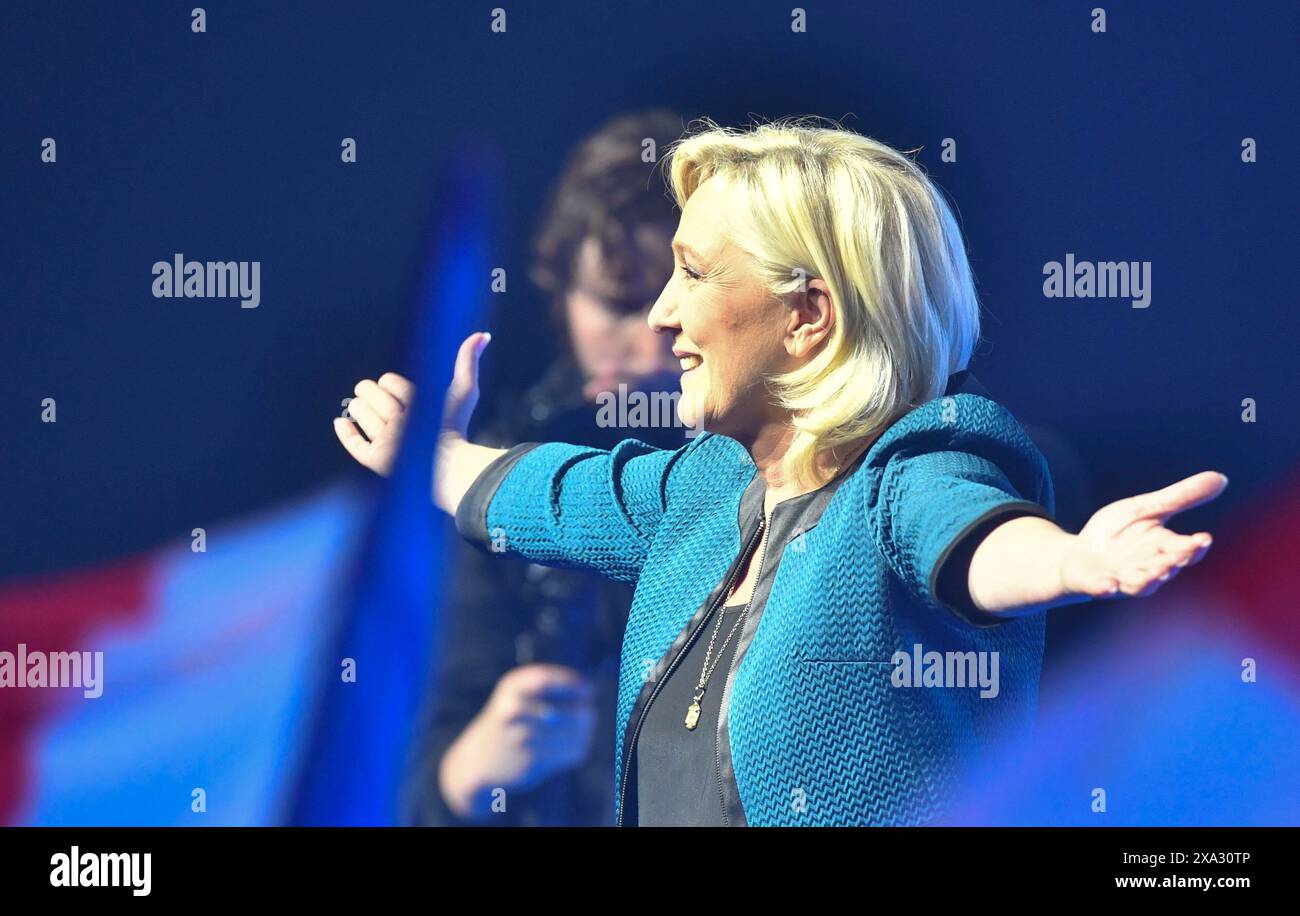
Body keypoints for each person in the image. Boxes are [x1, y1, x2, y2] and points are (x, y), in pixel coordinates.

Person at [336, 117, 1227, 826]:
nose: (661, 312)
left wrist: (1070, 562)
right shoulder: (703, 490)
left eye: (690, 274)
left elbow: (971, 540)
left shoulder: (909, 473)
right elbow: (561, 495)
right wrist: (439, 458)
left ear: (807, 316)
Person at [396, 110, 686, 826]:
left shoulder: (777, 460)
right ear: (559, 289)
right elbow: (401, 774)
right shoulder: (491, 472)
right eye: (619, 302)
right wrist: (475, 766)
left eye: (676, 296)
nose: (652, 341)